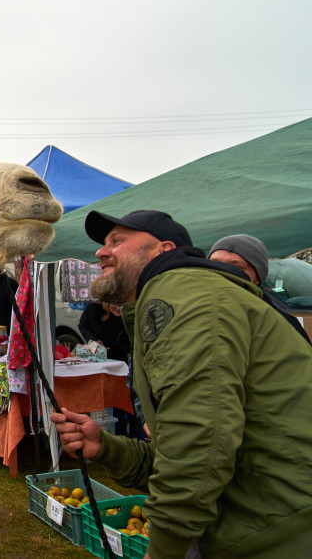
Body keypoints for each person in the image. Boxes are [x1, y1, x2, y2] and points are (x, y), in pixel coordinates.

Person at [50, 209, 312, 558]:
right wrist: (108, 448)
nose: (100, 251)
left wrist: (163, 549)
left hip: (277, 536)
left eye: (118, 241)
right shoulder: (176, 296)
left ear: (162, 250)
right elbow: (182, 448)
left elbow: (200, 445)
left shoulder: (181, 291)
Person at [208, 233, 308, 342]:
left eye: (236, 267)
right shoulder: (194, 309)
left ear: (258, 278)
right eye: (214, 264)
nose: (223, 272)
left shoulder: (279, 325)